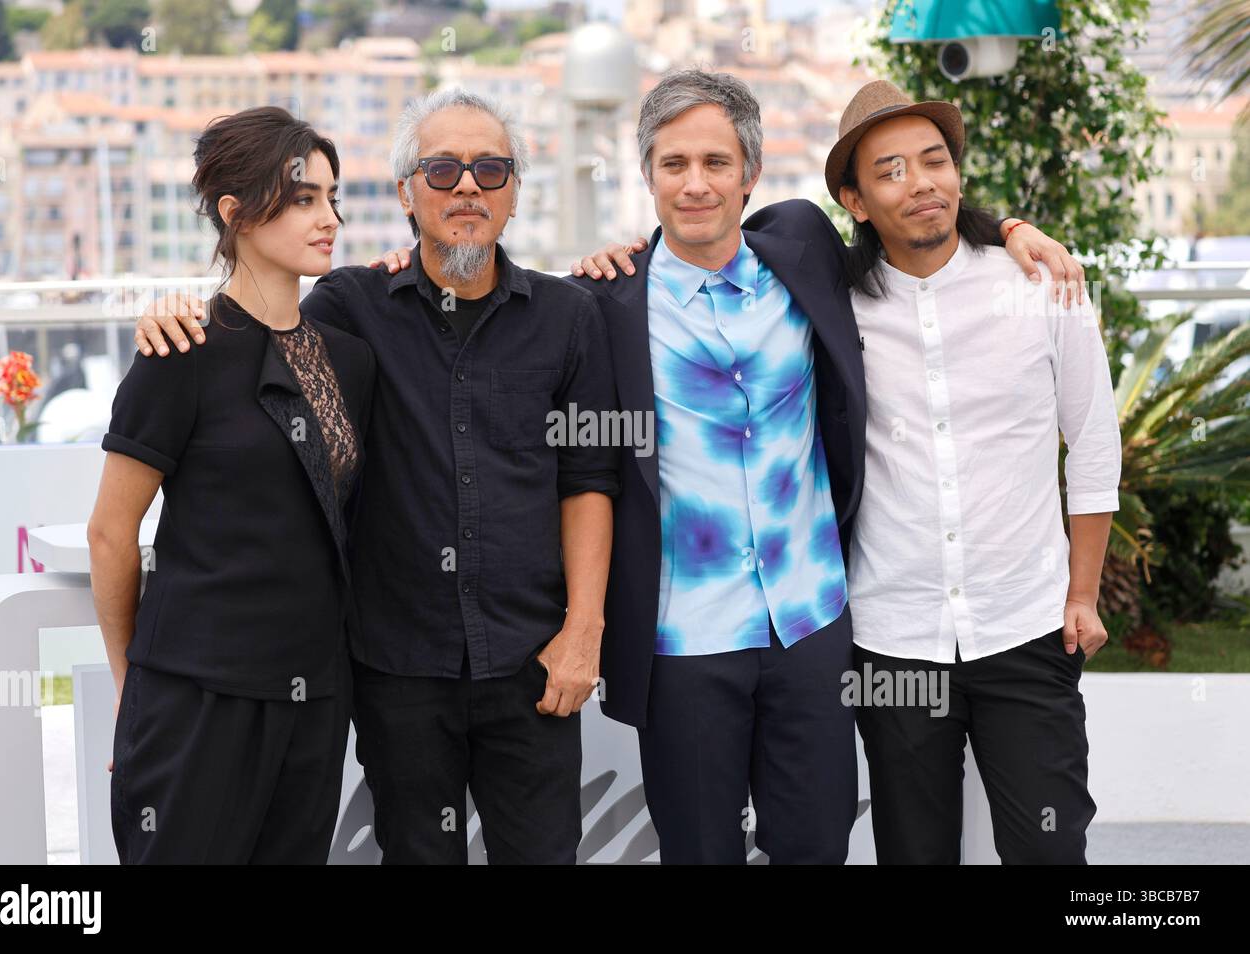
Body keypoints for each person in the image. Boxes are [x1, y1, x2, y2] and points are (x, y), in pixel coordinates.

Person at [461, 68, 1089, 864]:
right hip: (682, 639)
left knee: (817, 846)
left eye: (716, 163)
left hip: (814, 627)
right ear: (647, 175)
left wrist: (1010, 229)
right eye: (674, 164)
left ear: (750, 174)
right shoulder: (604, 305)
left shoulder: (802, 250)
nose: (695, 185)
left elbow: (912, 222)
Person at [128, 89, 621, 865]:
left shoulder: (569, 316)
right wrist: (170, 314)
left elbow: (589, 477)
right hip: (396, 667)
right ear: (405, 193)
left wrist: (583, 632)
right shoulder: (350, 307)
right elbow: (255, 317)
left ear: (517, 192)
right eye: (442, 169)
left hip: (534, 661)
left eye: (491, 170)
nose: (468, 187)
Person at [825, 80, 1118, 863]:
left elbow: (1091, 444)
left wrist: (1082, 596)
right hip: (893, 635)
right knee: (914, 850)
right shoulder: (834, 306)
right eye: (890, 170)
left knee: (1050, 850)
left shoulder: (1040, 284)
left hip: (1027, 625)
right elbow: (730, 238)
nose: (921, 182)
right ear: (854, 200)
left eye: (934, 161)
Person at [87, 106, 376, 864]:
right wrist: (131, 684)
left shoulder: (350, 359)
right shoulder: (180, 348)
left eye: (332, 197)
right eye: (305, 197)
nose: (330, 217)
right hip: (196, 698)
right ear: (236, 212)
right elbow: (112, 533)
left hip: (315, 698)